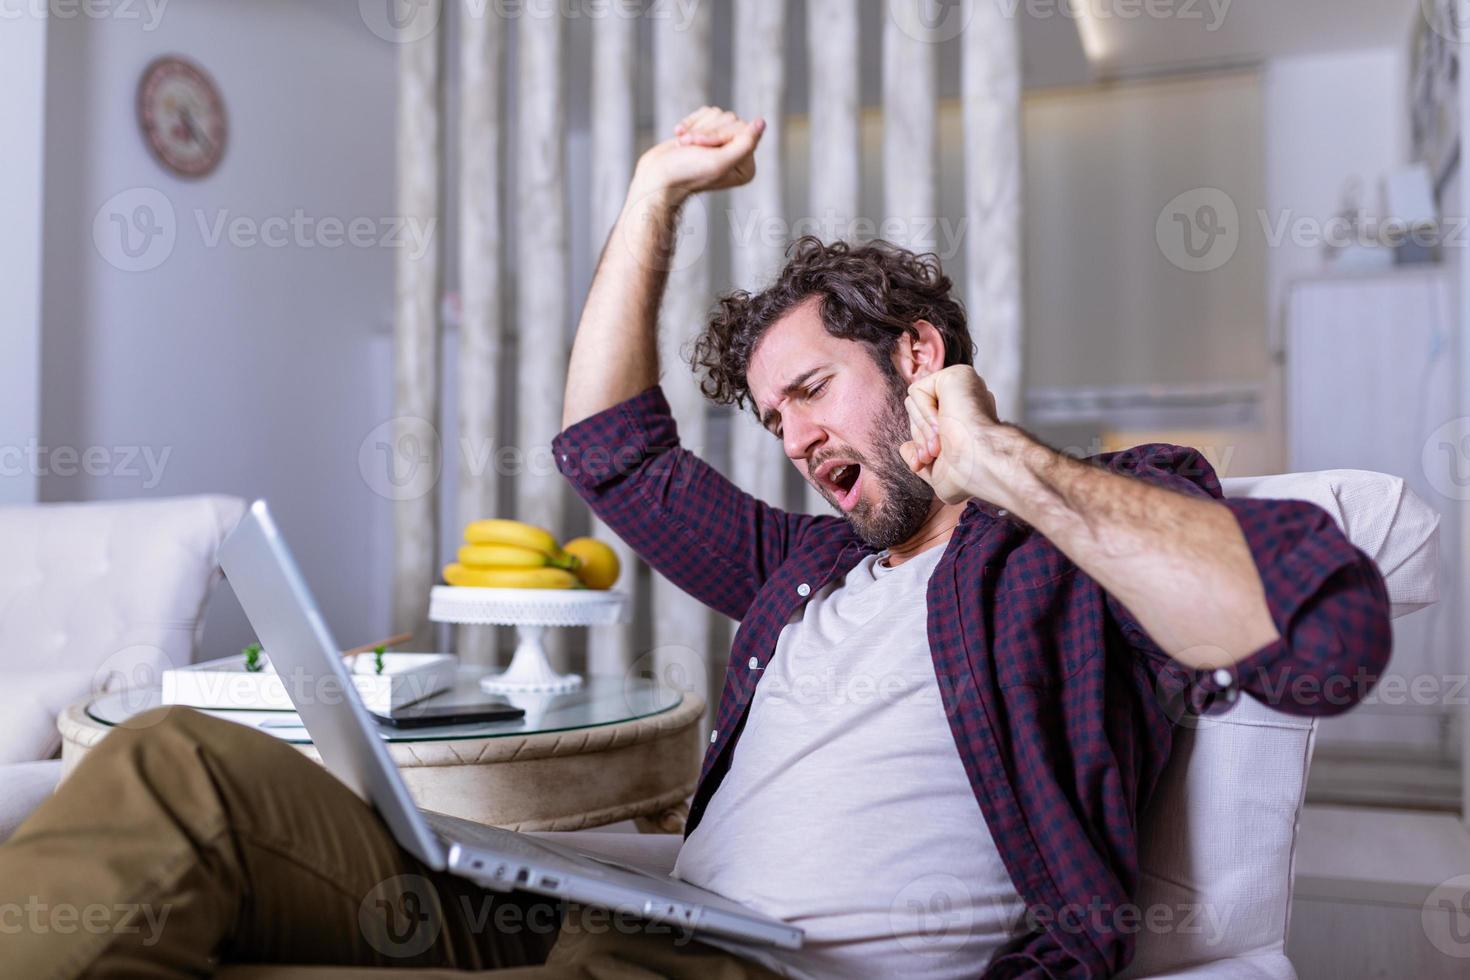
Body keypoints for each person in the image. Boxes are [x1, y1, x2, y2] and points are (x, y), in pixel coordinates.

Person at [0, 106, 1390, 979]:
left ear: (917, 356)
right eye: (771, 415)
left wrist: (1008, 467)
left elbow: (1321, 636)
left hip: (761, 971)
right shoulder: (803, 570)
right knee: (179, 767)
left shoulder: (1068, 537)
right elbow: (612, 451)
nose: (789, 436)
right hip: (641, 918)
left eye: (808, 393)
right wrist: (654, 196)